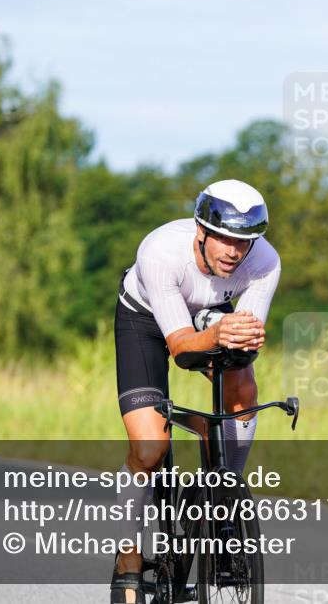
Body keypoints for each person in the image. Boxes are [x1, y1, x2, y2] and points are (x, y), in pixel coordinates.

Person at [110, 179, 281, 603]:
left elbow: (243, 343)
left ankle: (224, 494)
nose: (234, 252)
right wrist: (223, 331)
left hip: (211, 317)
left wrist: (238, 339)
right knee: (149, 449)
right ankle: (128, 553)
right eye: (223, 238)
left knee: (242, 384)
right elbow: (181, 348)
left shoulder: (266, 262)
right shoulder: (160, 253)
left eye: (244, 242)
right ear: (200, 231)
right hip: (147, 321)